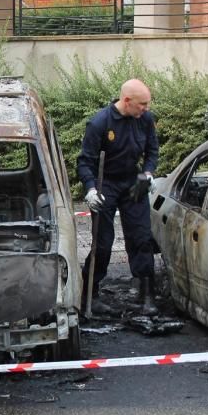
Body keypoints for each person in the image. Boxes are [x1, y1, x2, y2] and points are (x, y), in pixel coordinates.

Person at [77, 79, 159, 317]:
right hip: (106, 184)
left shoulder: (144, 120)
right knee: (102, 243)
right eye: (142, 104)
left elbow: (152, 151)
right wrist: (90, 189)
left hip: (133, 182)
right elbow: (85, 161)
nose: (145, 108)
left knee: (142, 238)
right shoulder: (100, 123)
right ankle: (90, 295)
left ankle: (146, 296)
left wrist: (149, 173)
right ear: (126, 101)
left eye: (147, 104)